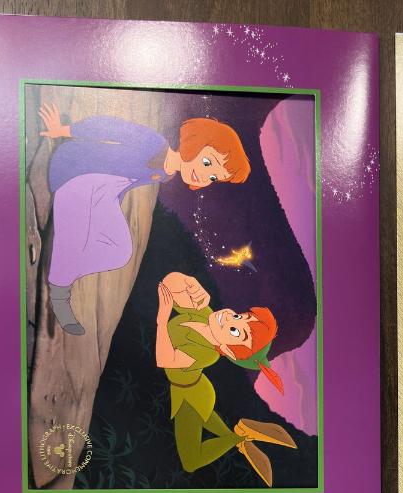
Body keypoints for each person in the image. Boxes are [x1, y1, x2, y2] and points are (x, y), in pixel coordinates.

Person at [38, 103, 250, 334]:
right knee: (73, 238)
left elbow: (123, 180)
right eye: (207, 163)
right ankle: (59, 294)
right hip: (78, 174)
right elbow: (109, 127)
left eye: (213, 177)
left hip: (105, 195)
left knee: (119, 252)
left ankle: (66, 273)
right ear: (195, 142)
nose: (204, 175)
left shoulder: (167, 174)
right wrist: (63, 130)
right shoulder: (155, 143)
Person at [155, 272, 296, 485]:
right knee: (208, 428)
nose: (229, 317)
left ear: (228, 350)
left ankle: (241, 436)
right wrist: (188, 283)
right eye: (239, 317)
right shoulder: (205, 314)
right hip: (197, 390)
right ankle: (243, 435)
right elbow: (167, 285)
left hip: (188, 396)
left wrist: (162, 319)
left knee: (190, 462)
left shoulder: (207, 353)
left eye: (234, 331)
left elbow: (164, 358)